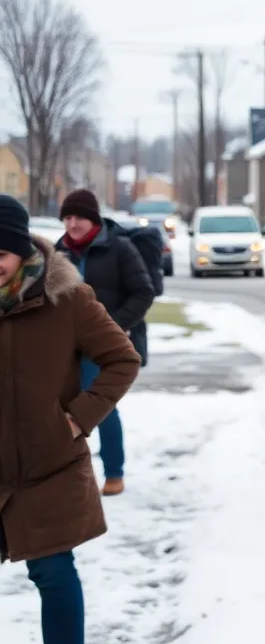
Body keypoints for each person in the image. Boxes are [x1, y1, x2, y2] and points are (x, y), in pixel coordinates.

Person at [0, 195, 142, 644]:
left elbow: (122, 360)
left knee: (55, 574)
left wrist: (77, 420)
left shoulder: (68, 298)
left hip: (48, 465)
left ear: (20, 250)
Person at [55, 189, 154, 497]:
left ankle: (114, 473)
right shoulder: (59, 252)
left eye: (78, 217)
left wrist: (116, 326)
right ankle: (65, 476)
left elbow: (143, 292)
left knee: (101, 408)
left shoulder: (120, 248)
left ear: (93, 218)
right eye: (67, 218)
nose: (72, 224)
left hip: (104, 347)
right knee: (61, 411)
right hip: (67, 347)